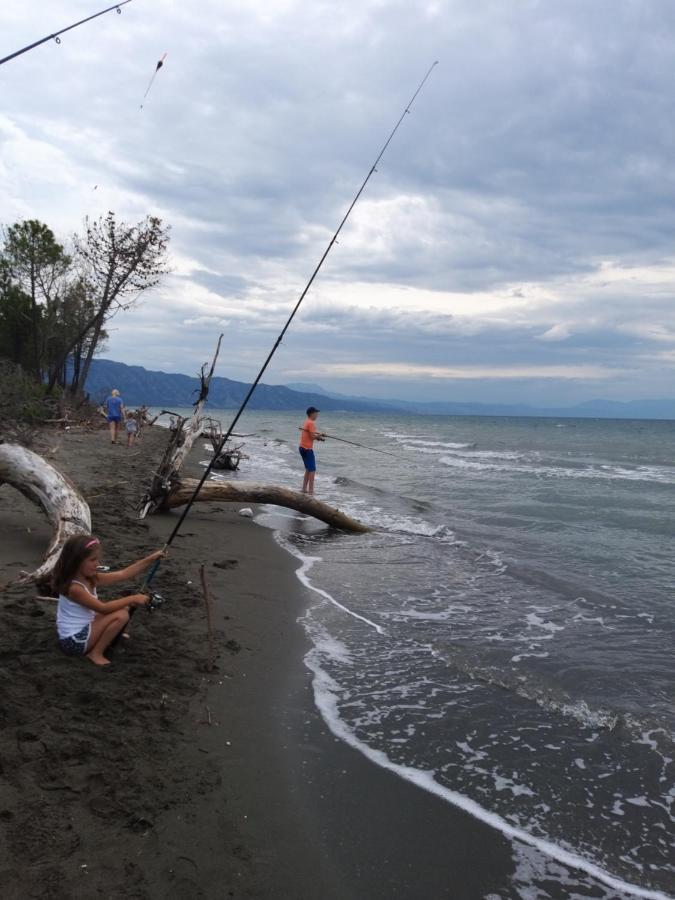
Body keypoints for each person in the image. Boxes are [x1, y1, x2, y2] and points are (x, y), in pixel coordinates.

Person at [52, 534, 164, 666]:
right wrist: (134, 598)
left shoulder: (90, 578)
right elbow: (103, 608)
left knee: (123, 609)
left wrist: (152, 558)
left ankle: (109, 635)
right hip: (73, 642)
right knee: (121, 615)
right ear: (76, 562)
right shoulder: (74, 588)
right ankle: (95, 653)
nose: (97, 564)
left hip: (84, 629)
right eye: (92, 560)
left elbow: (124, 574)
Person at [298, 406, 325, 494]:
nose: (317, 415)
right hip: (307, 449)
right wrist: (320, 437)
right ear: (312, 414)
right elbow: (313, 436)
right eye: (316, 413)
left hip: (301, 448)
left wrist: (319, 436)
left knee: (308, 469)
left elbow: (311, 435)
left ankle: (304, 489)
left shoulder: (307, 422)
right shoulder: (311, 423)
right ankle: (311, 491)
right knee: (312, 470)